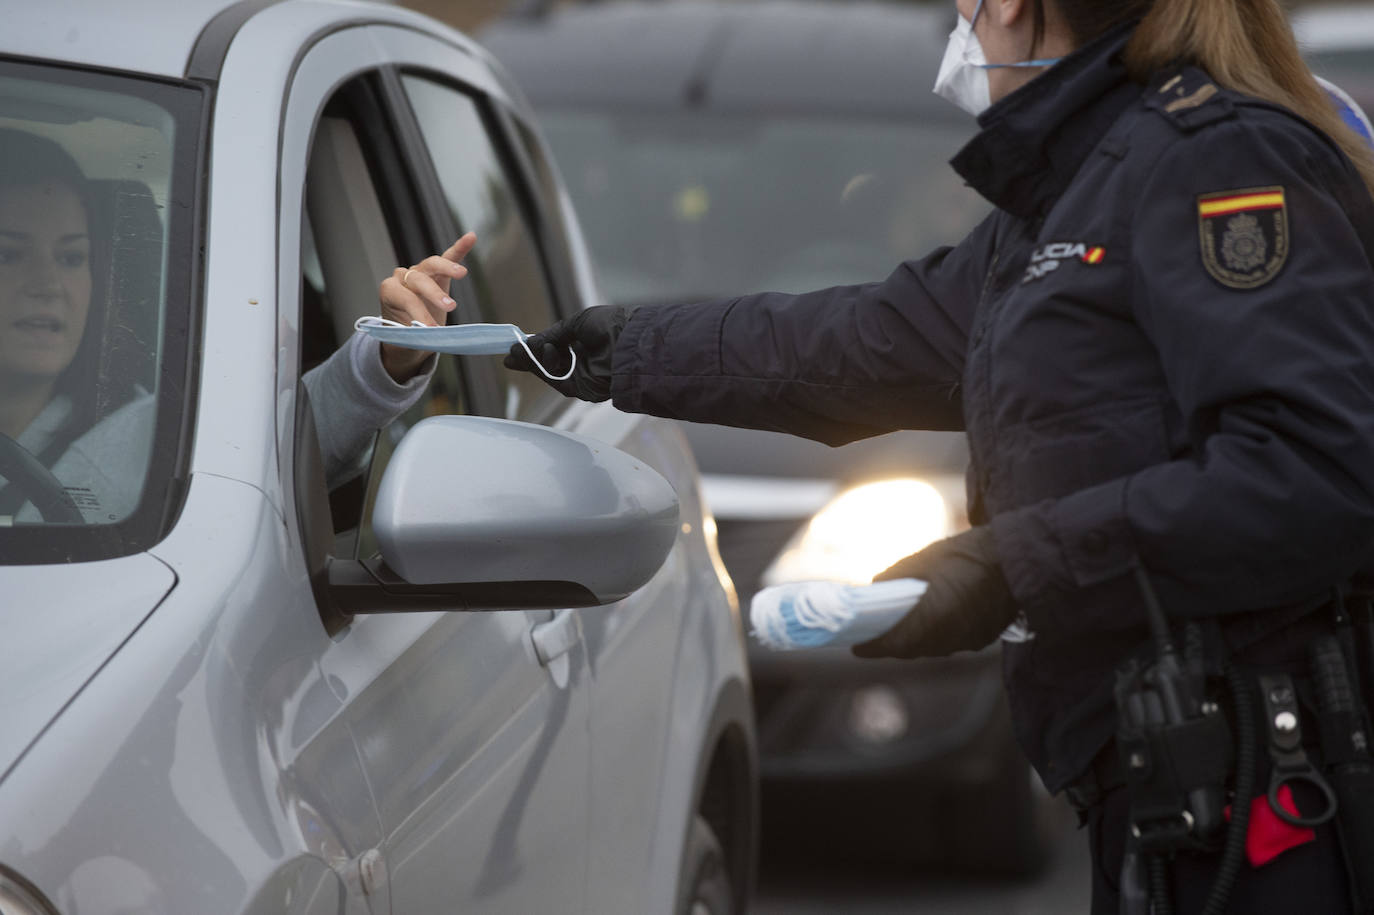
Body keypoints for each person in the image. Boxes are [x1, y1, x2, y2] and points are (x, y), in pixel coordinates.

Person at [392, 0, 1374, 910]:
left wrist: (1011, 564)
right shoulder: (1081, 186)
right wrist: (609, 351)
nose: (964, 27)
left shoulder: (1221, 161)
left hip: (1274, 779)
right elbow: (855, 345)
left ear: (1021, 6)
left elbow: (1318, 470)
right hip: (1168, 774)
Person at [0, 127, 470, 523]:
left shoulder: (159, 438)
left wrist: (391, 355)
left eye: (70, 257)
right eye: (10, 254)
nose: (48, 285)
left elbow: (302, 434)